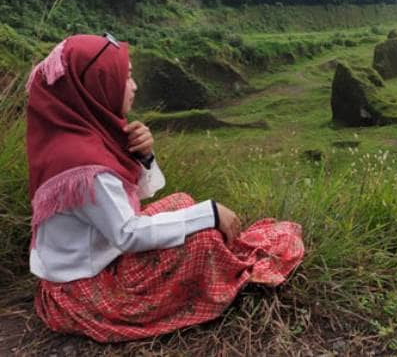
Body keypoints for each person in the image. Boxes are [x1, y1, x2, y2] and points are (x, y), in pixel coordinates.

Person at [26, 34, 304, 342]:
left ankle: (227, 256)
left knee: (184, 201)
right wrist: (209, 213)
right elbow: (128, 233)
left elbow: (133, 198)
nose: (134, 86)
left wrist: (143, 156)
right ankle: (228, 278)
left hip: (83, 268)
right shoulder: (83, 163)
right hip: (87, 291)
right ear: (98, 85)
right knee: (205, 241)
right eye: (126, 77)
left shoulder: (77, 135)